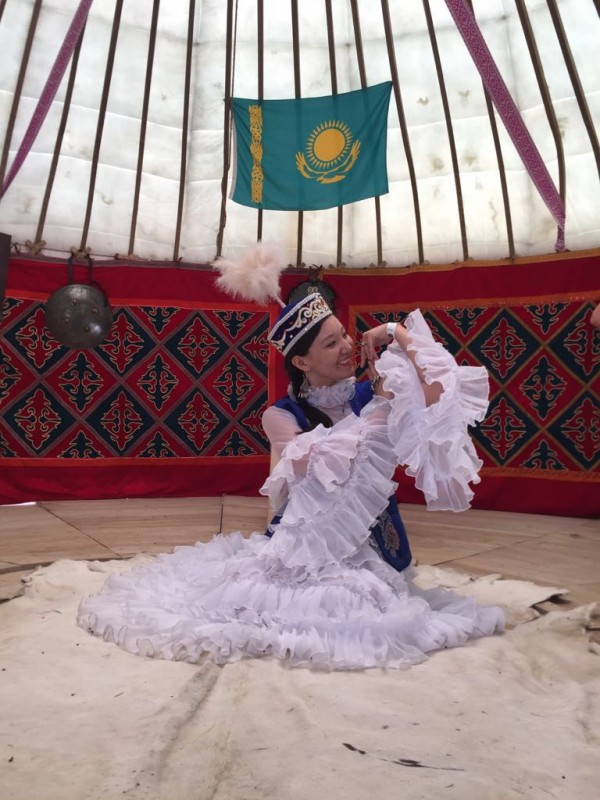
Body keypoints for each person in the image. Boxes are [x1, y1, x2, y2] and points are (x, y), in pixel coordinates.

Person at [77, 247, 504, 670]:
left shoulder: (371, 391)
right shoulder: (281, 416)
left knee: (380, 606)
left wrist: (395, 331)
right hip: (307, 552)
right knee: (328, 614)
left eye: (345, 335)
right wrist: (378, 410)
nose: (347, 347)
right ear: (301, 361)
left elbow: (440, 390)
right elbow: (320, 474)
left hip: (378, 544)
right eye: (331, 343)